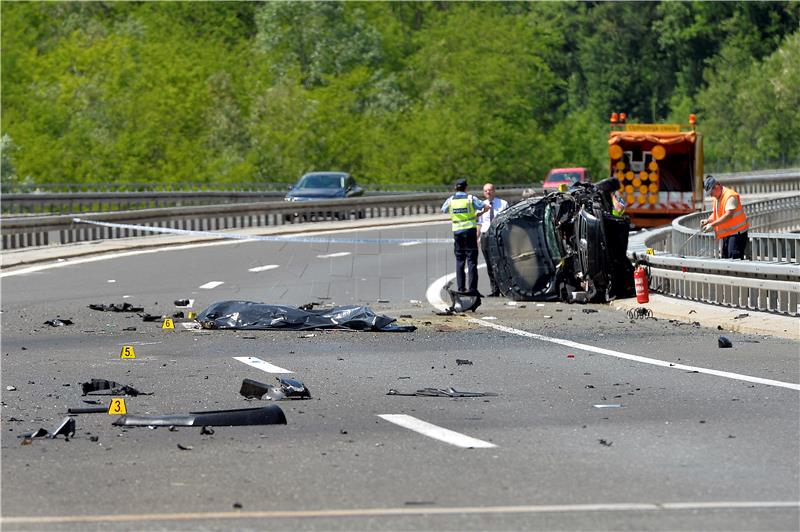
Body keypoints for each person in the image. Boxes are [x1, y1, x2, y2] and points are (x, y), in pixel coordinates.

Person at [441, 178, 487, 294]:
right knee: (472, 261)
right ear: (466, 188)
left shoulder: (451, 200)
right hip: (470, 231)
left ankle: (461, 288)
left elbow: (444, 210)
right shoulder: (470, 199)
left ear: (455, 188)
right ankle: (472, 289)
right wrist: (480, 214)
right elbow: (483, 205)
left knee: (460, 261)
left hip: (457, 232)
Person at [700, 175, 749, 259]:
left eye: (711, 193)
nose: (711, 196)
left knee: (734, 260)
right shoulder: (717, 198)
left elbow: (728, 215)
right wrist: (708, 221)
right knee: (725, 259)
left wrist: (713, 225)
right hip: (727, 234)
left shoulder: (730, 196)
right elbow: (717, 214)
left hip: (737, 234)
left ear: (717, 186)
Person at [477, 182, 508, 296]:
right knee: (490, 264)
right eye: (486, 191)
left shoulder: (503, 204)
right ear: (484, 193)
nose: (488, 192)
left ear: (494, 191)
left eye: (490, 190)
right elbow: (479, 224)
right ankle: (494, 290)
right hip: (486, 236)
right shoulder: (481, 205)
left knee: (501, 263)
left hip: (498, 235)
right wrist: (477, 238)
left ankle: (505, 289)